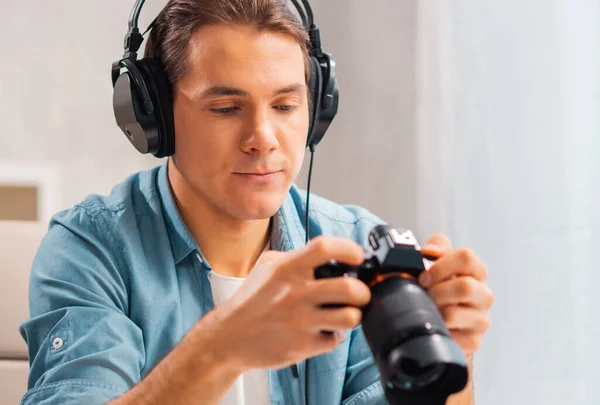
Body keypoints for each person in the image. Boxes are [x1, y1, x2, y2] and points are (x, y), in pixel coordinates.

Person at [19, 1, 494, 404]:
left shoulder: (352, 243)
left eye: (285, 106)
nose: (263, 140)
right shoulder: (89, 248)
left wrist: (455, 359)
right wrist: (222, 347)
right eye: (226, 109)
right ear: (153, 119)